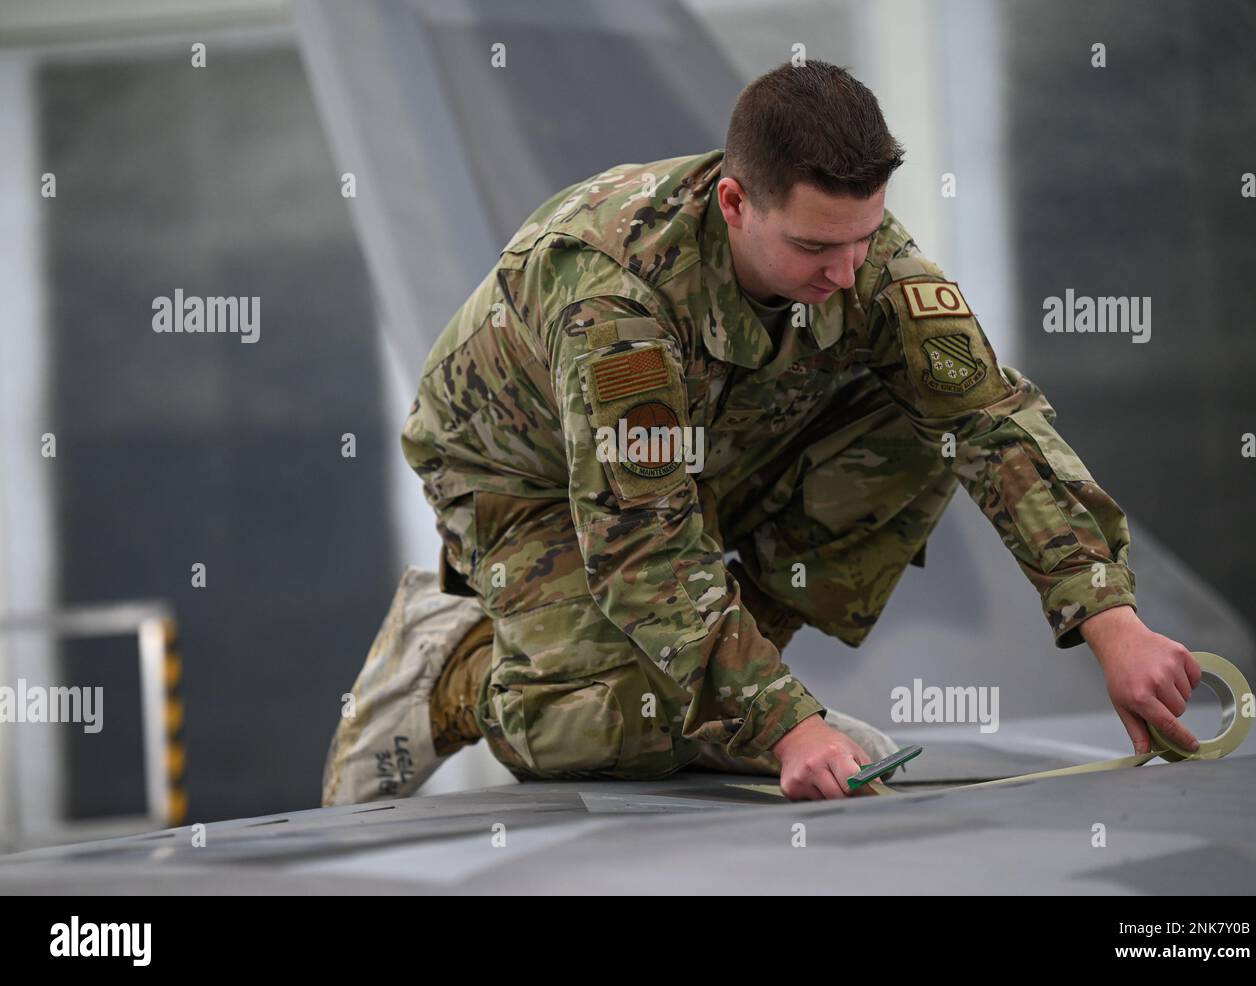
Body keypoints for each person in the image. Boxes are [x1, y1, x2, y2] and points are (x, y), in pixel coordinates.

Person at [334, 60, 1204, 804]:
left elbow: (989, 421)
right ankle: (457, 669)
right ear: (735, 202)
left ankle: (729, 690)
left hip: (707, 442)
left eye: (864, 238)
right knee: (628, 727)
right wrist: (786, 725)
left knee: (925, 423)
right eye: (816, 247)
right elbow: (642, 550)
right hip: (529, 481)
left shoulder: (856, 247)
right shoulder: (615, 300)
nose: (847, 269)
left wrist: (1110, 619)